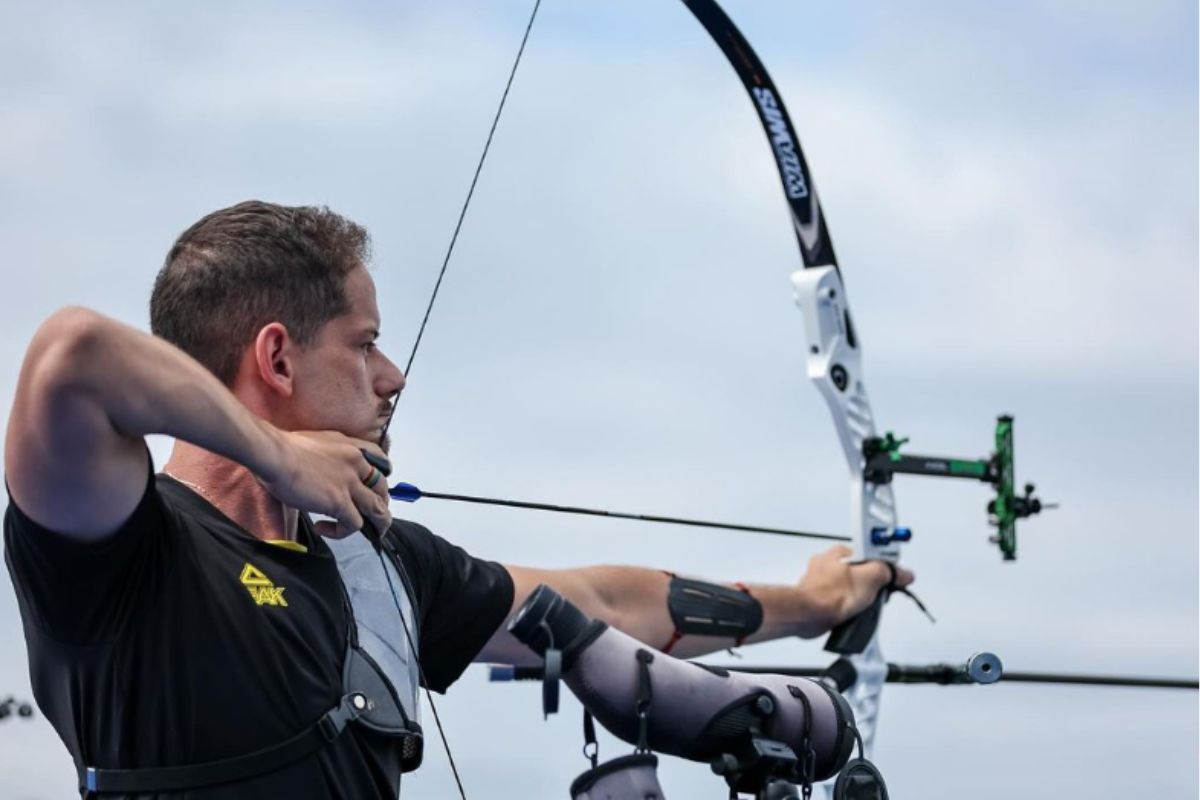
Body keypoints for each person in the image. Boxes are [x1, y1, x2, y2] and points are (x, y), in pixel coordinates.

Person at [3, 200, 913, 798]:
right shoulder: (125, 549)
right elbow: (71, 354)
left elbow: (597, 607)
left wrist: (814, 602)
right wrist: (279, 456)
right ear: (277, 358)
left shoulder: (381, 570)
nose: (392, 377)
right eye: (364, 345)